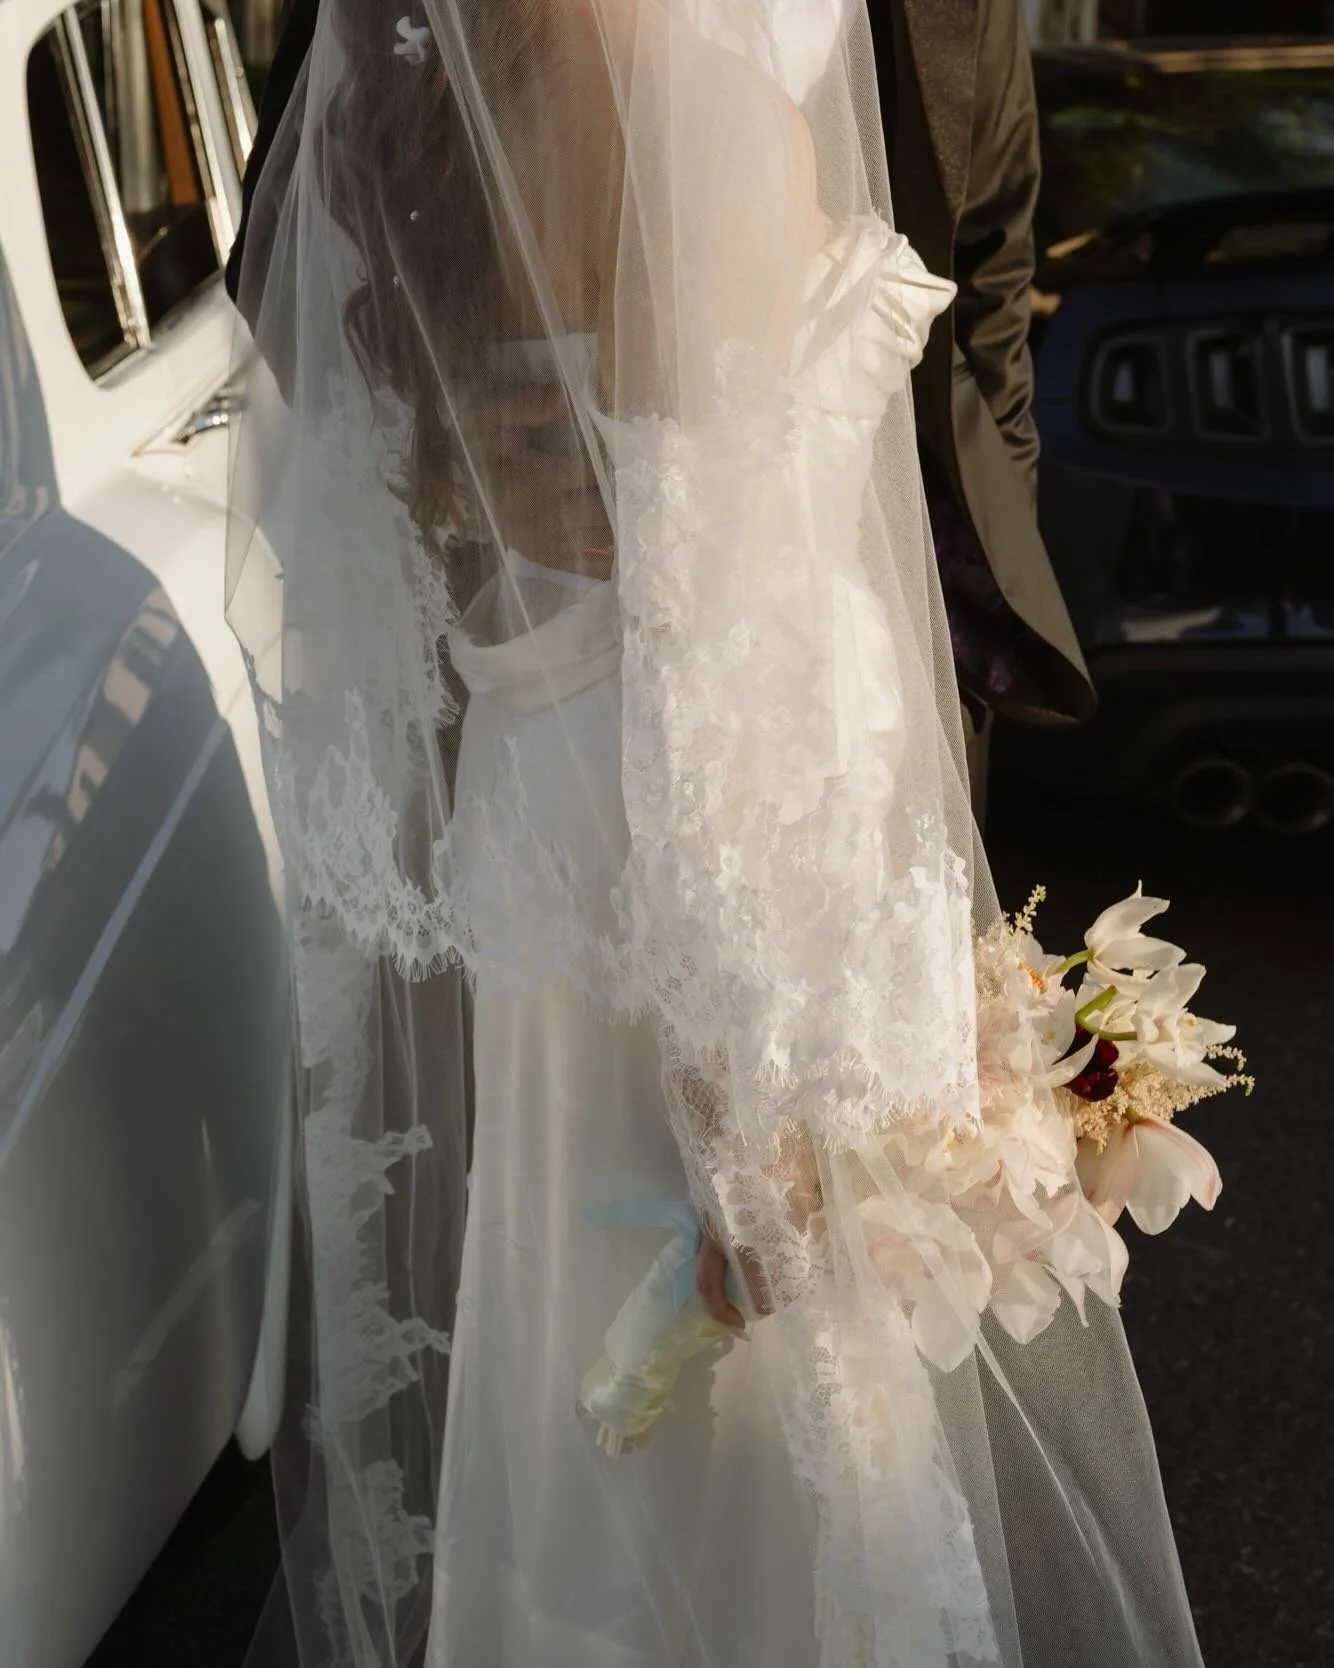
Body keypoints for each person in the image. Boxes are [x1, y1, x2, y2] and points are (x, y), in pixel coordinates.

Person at [225, 2, 1203, 1665]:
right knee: (745, 1416)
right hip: (712, 854)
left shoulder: (431, 74)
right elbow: (706, 663)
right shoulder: (696, 114)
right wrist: (765, 1121)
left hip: (566, 796)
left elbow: (981, 311)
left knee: (588, 1359)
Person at [226, 0, 1093, 824]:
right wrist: (455, 458)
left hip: (886, 659)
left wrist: (963, 587)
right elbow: (285, 236)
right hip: (544, 648)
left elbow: (990, 282)